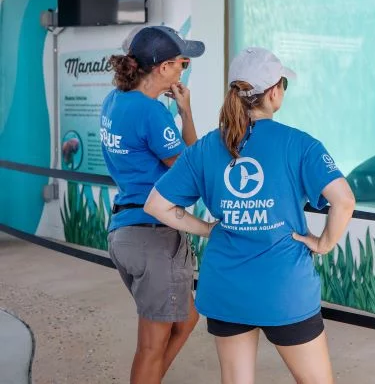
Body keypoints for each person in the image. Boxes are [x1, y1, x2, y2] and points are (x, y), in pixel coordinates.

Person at [143, 47, 356, 384]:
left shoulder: (206, 147)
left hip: (226, 284)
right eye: (283, 83)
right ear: (274, 93)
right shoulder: (299, 144)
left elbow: (156, 204)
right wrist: (324, 243)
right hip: (284, 287)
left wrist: (207, 229)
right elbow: (344, 201)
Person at [101, 25, 206, 384]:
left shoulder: (115, 100)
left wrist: (182, 111)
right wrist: (186, 115)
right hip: (153, 237)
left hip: (124, 232)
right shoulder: (151, 113)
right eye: (182, 62)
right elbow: (192, 170)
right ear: (162, 67)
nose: (184, 70)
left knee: (186, 318)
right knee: (150, 344)